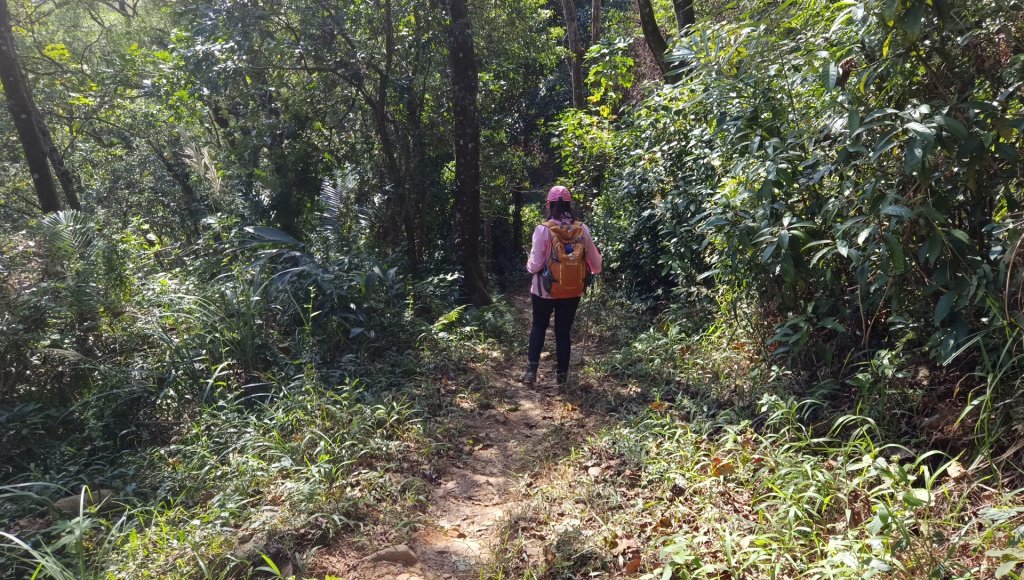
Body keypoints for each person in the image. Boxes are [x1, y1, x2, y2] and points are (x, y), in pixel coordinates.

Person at [522, 185, 602, 386]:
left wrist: (529, 266)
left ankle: (531, 372)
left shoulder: (543, 230)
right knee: (563, 332)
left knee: (539, 326)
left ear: (549, 205)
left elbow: (536, 265)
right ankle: (562, 378)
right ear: (569, 204)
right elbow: (596, 265)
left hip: (544, 290)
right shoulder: (582, 229)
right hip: (572, 290)